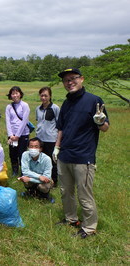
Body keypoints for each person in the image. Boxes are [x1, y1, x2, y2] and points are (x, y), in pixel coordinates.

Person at [53, 68, 109, 239]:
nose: (69, 82)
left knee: (84, 194)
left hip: (83, 157)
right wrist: (57, 147)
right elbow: (61, 128)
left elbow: (105, 127)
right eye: (66, 80)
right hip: (65, 155)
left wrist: (100, 122)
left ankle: (90, 228)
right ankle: (71, 219)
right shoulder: (66, 103)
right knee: (65, 191)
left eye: (73, 78)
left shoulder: (94, 101)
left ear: (82, 79)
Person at [35, 87, 60, 187]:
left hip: (51, 139)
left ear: (50, 96)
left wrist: (58, 140)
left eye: (46, 95)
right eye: (42, 95)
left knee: (52, 161)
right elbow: (39, 121)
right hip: (40, 138)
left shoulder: (55, 108)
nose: (43, 97)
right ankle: (42, 179)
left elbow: (59, 124)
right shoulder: (38, 108)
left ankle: (54, 181)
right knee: (40, 160)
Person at [19, 137, 54, 202]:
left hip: (44, 180)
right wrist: (39, 177)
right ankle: (31, 192)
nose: (33, 149)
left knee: (43, 186)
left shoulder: (47, 159)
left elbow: (46, 178)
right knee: (25, 179)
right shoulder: (25, 155)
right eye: (31, 146)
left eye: (36, 146)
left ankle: (45, 196)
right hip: (36, 177)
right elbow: (25, 171)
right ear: (28, 148)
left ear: (40, 149)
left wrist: (31, 179)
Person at [5, 86, 30, 176]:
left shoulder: (25, 105)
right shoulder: (9, 107)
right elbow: (8, 121)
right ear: (10, 95)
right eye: (13, 93)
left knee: (22, 153)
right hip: (12, 134)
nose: (15, 95)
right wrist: (11, 135)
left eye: (17, 93)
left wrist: (18, 135)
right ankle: (15, 171)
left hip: (23, 134)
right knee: (13, 153)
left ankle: (23, 171)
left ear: (20, 94)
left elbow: (24, 121)